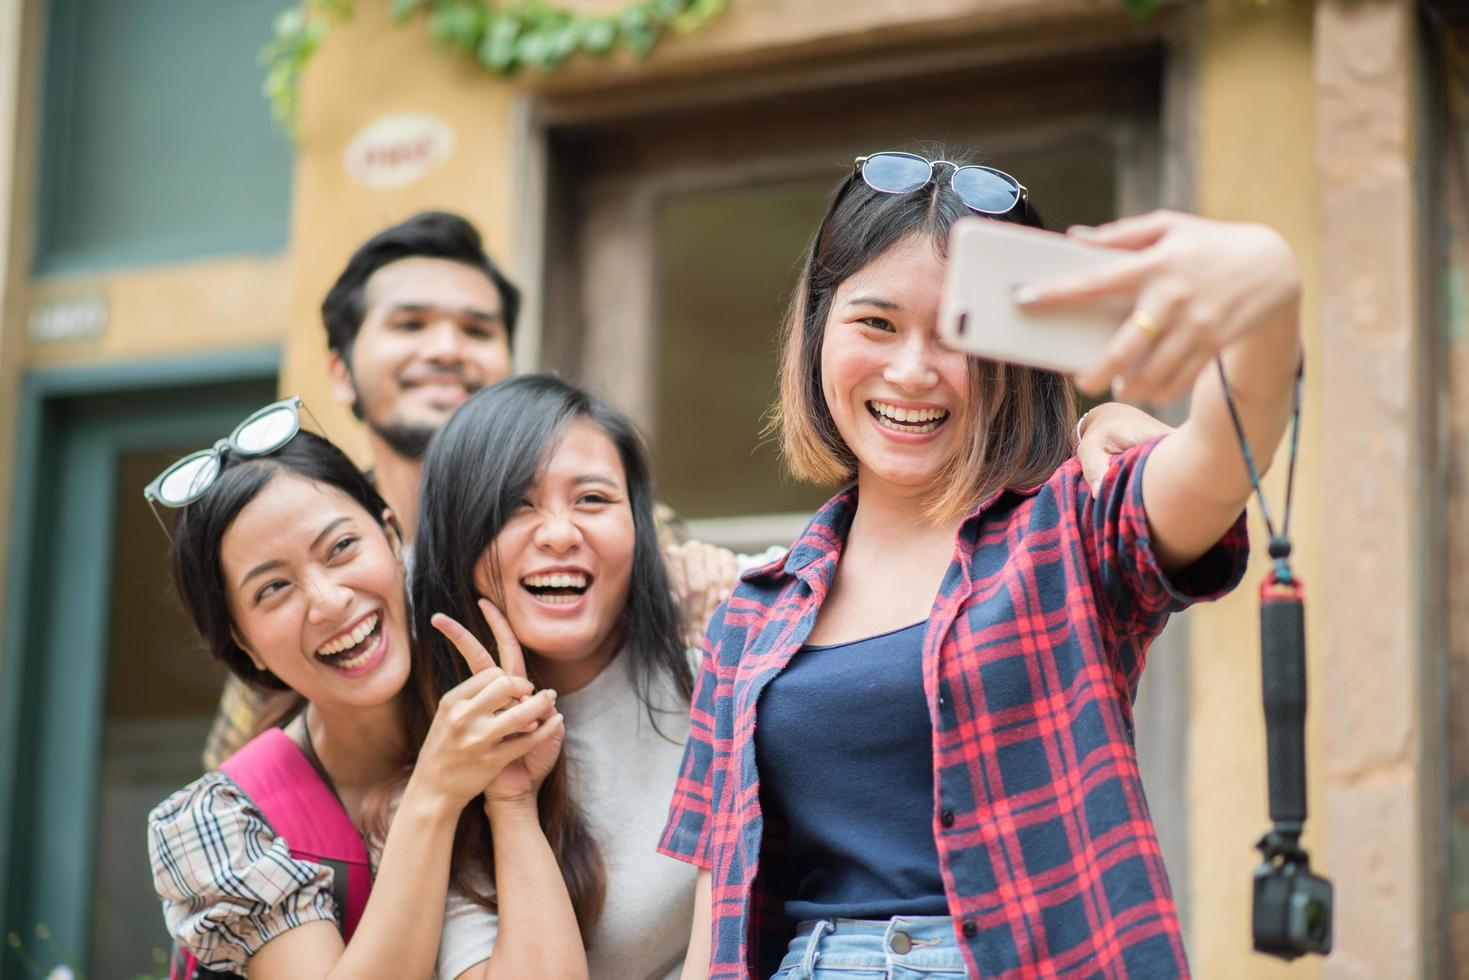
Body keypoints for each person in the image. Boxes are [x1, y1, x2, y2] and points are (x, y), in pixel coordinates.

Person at [661, 147, 1301, 978]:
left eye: (955, 331)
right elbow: (720, 902)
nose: (912, 370)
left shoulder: (1072, 526)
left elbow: (1224, 454)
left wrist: (1267, 291)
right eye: (876, 323)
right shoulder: (752, 611)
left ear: (1012, 359)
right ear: (818, 329)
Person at [201, 211, 735, 768]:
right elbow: (238, 774)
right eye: (410, 325)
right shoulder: (311, 565)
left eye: (477, 330)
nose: (446, 349)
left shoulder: (616, 527)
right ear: (341, 372)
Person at [145, 413, 577, 978]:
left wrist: (511, 801)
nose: (328, 601)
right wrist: (434, 793)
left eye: (341, 547)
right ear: (242, 643)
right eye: (274, 588)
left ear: (393, 537)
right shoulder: (222, 825)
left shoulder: (495, 706)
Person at [407, 374, 699, 980]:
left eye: (592, 499)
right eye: (516, 504)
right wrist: (509, 800)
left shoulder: (722, 668)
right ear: (455, 542)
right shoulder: (438, 764)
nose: (560, 534)